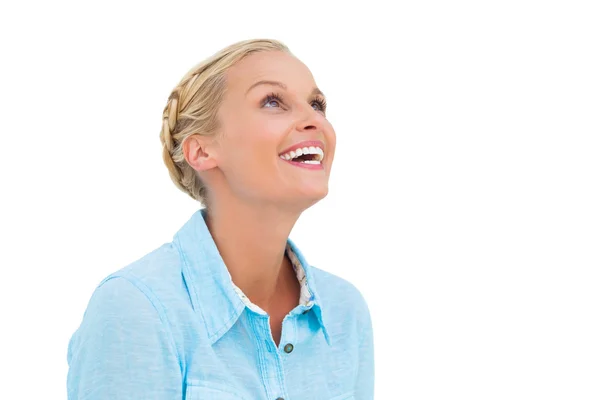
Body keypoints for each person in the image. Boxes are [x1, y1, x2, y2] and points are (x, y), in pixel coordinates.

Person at [66, 38, 374, 400]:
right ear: (201, 150)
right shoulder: (135, 308)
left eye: (317, 104)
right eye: (273, 102)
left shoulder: (345, 312)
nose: (314, 121)